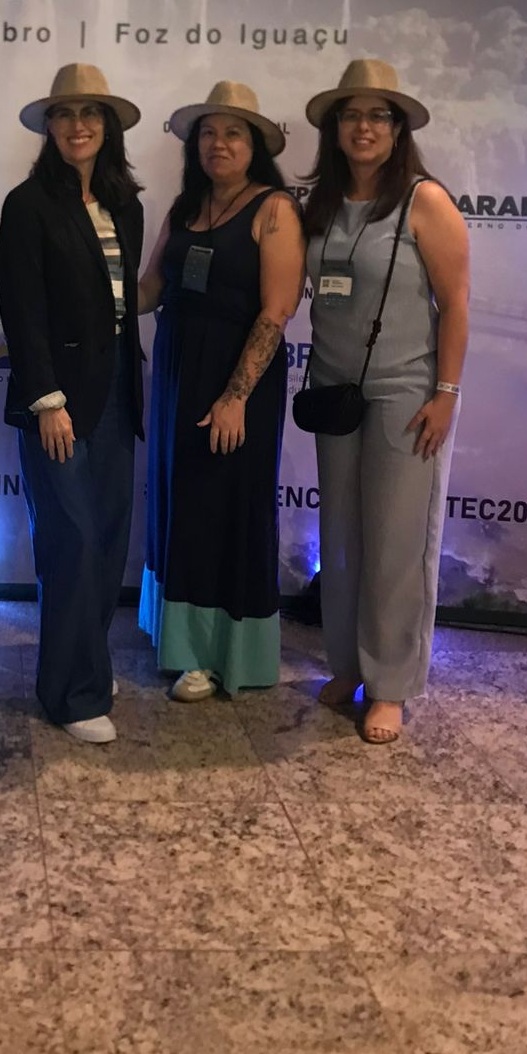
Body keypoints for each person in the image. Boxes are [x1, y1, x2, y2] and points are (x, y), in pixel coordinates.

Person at [302, 59, 469, 744]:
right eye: (352, 115)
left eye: (378, 115)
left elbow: (456, 304)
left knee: (396, 540)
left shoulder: (424, 201)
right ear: (336, 129)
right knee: (341, 537)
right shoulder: (318, 203)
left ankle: (390, 684)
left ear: (398, 130)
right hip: (334, 390)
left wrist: (446, 394)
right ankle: (347, 665)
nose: (363, 127)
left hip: (406, 392)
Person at [138, 82, 304, 699]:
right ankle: (178, 637)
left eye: (233, 132)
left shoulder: (275, 209)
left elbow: (277, 310)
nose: (218, 143)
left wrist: (235, 397)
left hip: (237, 380)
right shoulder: (186, 207)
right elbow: (150, 289)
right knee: (181, 500)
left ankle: (214, 655)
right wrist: (88, 295)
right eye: (208, 133)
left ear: (255, 144)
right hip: (178, 369)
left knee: (223, 505)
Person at [0, 64, 144, 744]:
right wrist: (46, 399)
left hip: (115, 392)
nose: (78, 125)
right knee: (71, 539)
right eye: (65, 113)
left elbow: (123, 305)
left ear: (107, 127)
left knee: (108, 538)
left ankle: (89, 665)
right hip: (57, 399)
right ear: (49, 126)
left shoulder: (126, 204)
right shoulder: (28, 204)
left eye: (91, 113)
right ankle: (69, 696)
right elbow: (22, 310)